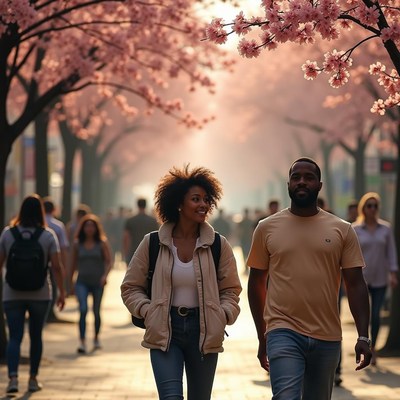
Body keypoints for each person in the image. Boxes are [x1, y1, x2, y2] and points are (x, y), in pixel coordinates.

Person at [247, 157, 372, 400]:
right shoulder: (266, 228)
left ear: (319, 185)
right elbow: (256, 283)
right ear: (288, 184)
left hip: (327, 335)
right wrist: (263, 334)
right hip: (282, 330)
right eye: (296, 177)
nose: (302, 182)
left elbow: (355, 284)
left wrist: (363, 335)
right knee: (286, 397)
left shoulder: (342, 229)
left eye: (309, 177)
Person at [121, 165, 242, 400]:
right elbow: (130, 286)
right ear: (179, 203)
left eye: (206, 199)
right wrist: (148, 310)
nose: (203, 205)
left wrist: (223, 313)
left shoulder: (218, 244)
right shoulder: (153, 242)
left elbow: (231, 289)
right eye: (195, 199)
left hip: (204, 331)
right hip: (165, 331)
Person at [0, 194, 65, 393]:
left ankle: (12, 379)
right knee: (36, 337)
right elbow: (57, 267)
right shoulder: (47, 235)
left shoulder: (7, 234)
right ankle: (33, 379)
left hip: (12, 292)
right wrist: (62, 292)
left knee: (15, 337)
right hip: (40, 293)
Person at [352, 192, 399, 366]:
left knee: (377, 315)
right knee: (365, 314)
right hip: (361, 279)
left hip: (380, 277)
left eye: (375, 206)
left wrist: (393, 273)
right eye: (368, 206)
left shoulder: (385, 229)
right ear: (363, 208)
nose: (372, 209)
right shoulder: (355, 229)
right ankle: (364, 343)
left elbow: (391, 252)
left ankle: (374, 349)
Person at [70, 213, 113, 354]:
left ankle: (96, 337)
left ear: (96, 228)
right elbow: (73, 264)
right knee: (82, 310)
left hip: (97, 282)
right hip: (81, 281)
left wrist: (105, 276)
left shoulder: (102, 243)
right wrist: (70, 283)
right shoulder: (77, 244)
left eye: (92, 226)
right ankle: (82, 341)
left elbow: (109, 261)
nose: (89, 229)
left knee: (96, 311)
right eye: (87, 226)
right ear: (83, 228)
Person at [43, 197, 69, 321]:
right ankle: (49, 311)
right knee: (53, 286)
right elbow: (63, 247)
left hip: (39, 261)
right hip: (54, 260)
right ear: (53, 209)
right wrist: (63, 264)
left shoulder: (38, 223)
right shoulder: (58, 226)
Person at [123, 198, 159, 265]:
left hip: (133, 252)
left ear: (137, 205)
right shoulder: (153, 221)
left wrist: (125, 253)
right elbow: (157, 237)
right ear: (146, 205)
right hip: (149, 253)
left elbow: (126, 237)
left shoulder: (130, 220)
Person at [237, 207, 254, 274]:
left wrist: (239, 237)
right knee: (248, 254)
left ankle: (246, 268)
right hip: (249, 239)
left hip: (243, 239)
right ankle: (248, 267)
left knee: (244, 254)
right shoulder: (251, 221)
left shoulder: (242, 221)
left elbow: (239, 230)